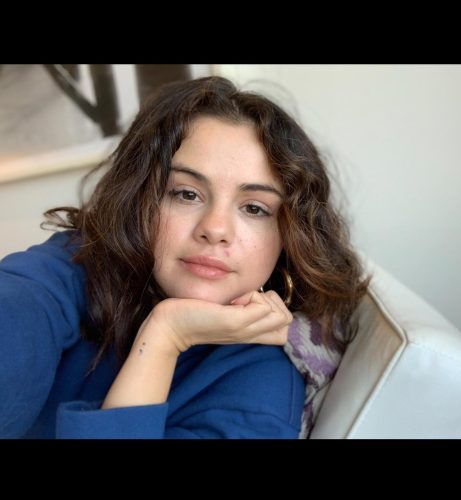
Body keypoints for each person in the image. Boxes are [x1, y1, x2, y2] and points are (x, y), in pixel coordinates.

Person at [0, 76, 371, 439]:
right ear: (138, 200)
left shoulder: (262, 388)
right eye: (186, 194)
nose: (215, 228)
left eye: (255, 208)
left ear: (289, 238)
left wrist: (166, 335)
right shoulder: (66, 269)